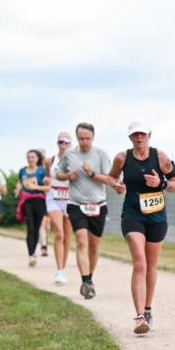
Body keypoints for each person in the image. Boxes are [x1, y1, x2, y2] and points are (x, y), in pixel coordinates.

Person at [109, 122, 175, 333]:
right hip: (132, 215)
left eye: (142, 134)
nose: (139, 137)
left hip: (157, 217)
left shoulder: (160, 157)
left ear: (149, 135)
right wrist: (117, 185)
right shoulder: (122, 158)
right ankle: (139, 316)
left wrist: (161, 184)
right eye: (135, 135)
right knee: (139, 263)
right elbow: (112, 177)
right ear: (130, 137)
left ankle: (148, 308)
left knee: (151, 265)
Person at [55, 122, 117, 299]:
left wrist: (91, 174)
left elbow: (110, 179)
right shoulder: (69, 154)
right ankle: (86, 281)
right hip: (76, 203)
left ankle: (90, 277)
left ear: (93, 137)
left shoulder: (101, 154)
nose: (84, 141)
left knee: (94, 245)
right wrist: (68, 176)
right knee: (81, 241)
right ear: (77, 138)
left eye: (87, 138)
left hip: (98, 204)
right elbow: (58, 174)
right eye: (81, 138)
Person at [44, 133, 73, 283]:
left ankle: (63, 268)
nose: (63, 144)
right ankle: (59, 270)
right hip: (53, 198)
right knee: (59, 233)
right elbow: (47, 178)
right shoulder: (50, 160)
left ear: (70, 144)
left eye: (66, 142)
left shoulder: (75, 159)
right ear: (57, 143)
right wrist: (47, 176)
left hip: (69, 198)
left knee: (67, 236)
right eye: (61, 141)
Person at [13, 150, 50, 266]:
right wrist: (17, 189)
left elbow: (48, 187)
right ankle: (31, 254)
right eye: (28, 157)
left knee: (37, 227)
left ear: (37, 159)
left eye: (32, 157)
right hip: (26, 201)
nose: (30, 159)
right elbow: (20, 182)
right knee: (30, 228)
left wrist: (36, 187)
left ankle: (34, 250)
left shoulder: (42, 171)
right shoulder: (22, 171)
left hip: (39, 200)